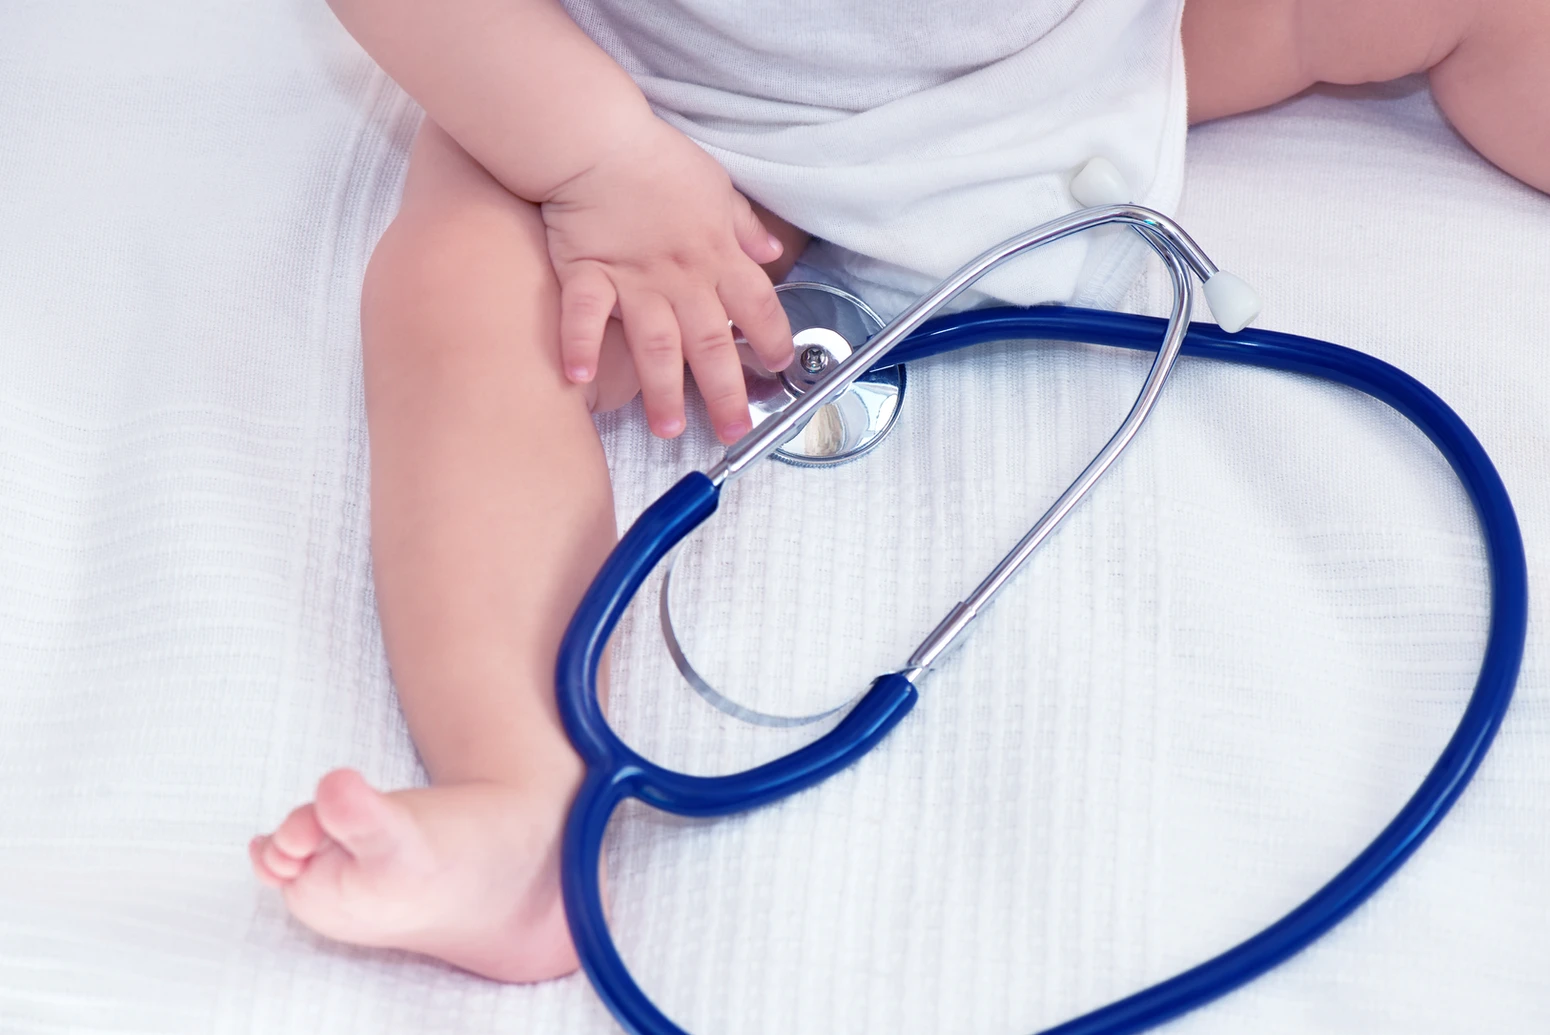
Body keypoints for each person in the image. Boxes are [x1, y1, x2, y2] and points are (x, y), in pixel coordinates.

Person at [248, 0, 1548, 983]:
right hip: (674, 124)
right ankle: (522, 804)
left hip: (1093, 44)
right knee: (466, 297)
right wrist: (595, 162)